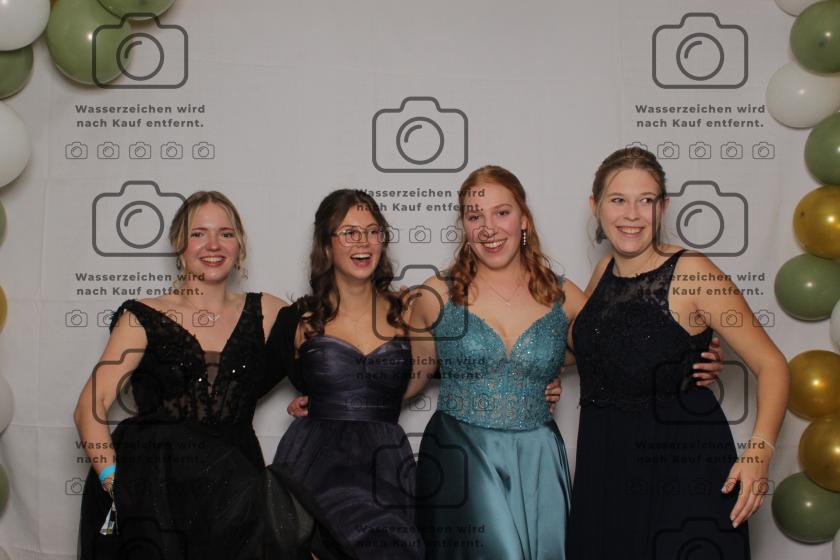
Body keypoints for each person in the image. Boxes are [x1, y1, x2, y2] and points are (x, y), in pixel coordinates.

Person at [565, 148, 790, 559]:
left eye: (646, 200)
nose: (632, 214)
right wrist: (537, 376)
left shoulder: (693, 272)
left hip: (680, 468)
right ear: (595, 205)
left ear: (663, 207)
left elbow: (772, 364)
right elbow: (600, 353)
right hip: (606, 465)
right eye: (618, 200)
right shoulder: (603, 273)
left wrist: (759, 454)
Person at [75, 191, 310, 559]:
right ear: (178, 244)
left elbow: (330, 351)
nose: (213, 245)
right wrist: (114, 482)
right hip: (156, 489)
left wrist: (317, 394)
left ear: (239, 245)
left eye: (225, 234)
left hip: (235, 485)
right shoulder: (142, 316)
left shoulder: (268, 310)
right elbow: (90, 407)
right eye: (199, 234)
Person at [267, 189, 425, 559]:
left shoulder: (408, 312)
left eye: (372, 231)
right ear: (326, 245)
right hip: (313, 467)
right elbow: (241, 385)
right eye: (350, 232)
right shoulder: (299, 319)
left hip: (385, 470)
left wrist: (535, 381)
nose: (363, 242)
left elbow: (465, 367)